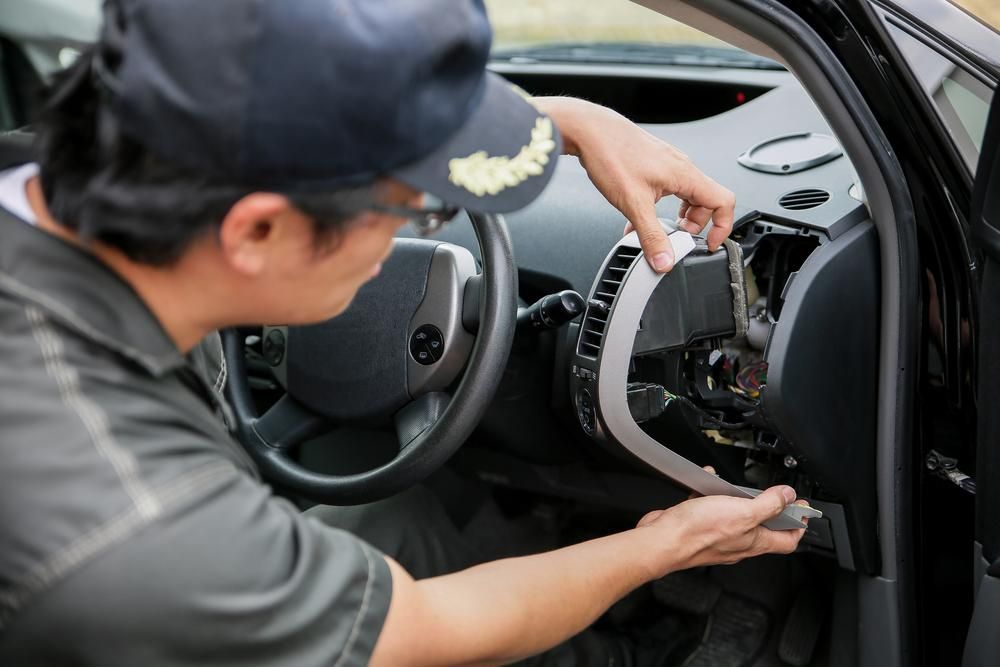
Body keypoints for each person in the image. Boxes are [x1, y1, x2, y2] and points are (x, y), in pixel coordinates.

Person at [0, 1, 806, 665]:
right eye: (417, 210)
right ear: (256, 233)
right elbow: (419, 627)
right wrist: (658, 549)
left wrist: (567, 121)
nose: (412, 245)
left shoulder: (54, 174)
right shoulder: (140, 529)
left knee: (405, 522)